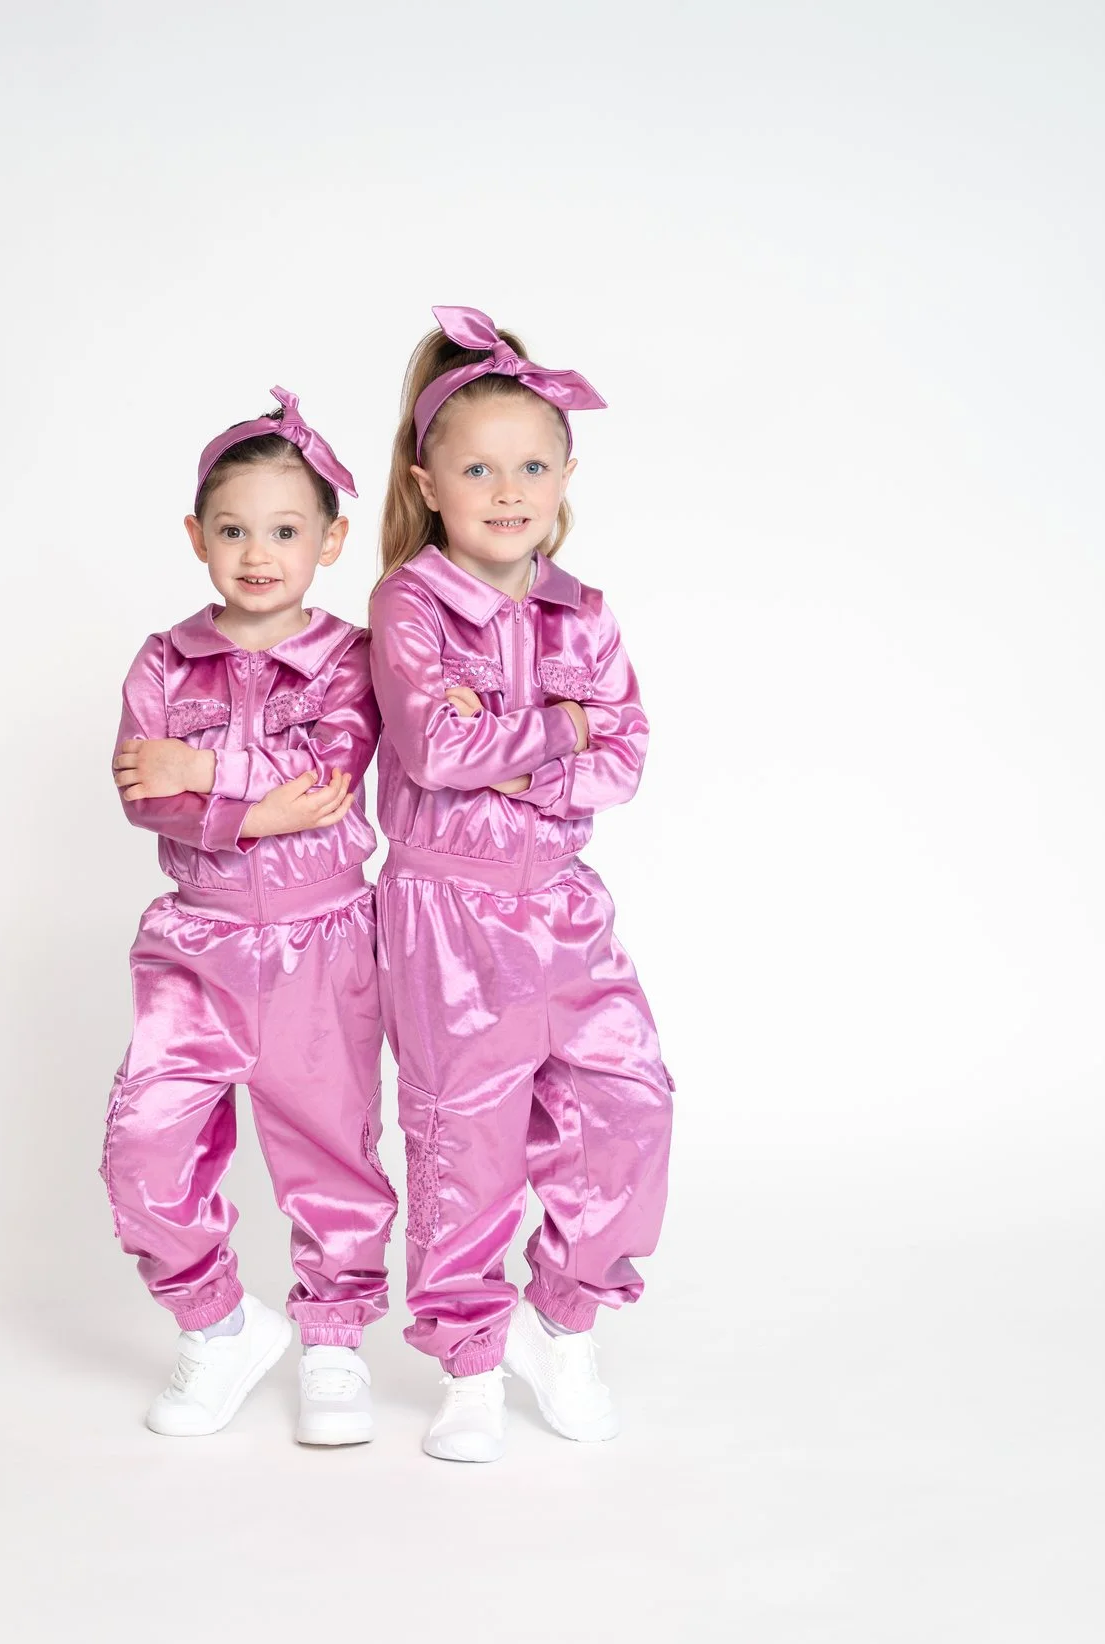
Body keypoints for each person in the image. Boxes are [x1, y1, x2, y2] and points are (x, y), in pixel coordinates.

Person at [367, 309, 677, 1462]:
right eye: (479, 467)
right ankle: (469, 1365)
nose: (509, 489)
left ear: (567, 476)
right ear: (429, 482)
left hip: (562, 904)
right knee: (465, 1135)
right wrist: (557, 727)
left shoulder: (579, 611)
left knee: (627, 1101)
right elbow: (434, 756)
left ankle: (563, 1318)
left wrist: (506, 733)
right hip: (448, 913)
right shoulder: (407, 605)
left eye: (533, 465)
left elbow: (626, 757)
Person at [102, 389, 397, 1445]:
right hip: (198, 939)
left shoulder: (353, 661)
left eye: (283, 530)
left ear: (328, 539)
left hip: (321, 939)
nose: (257, 553)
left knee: (330, 1147)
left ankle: (332, 1342)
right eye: (232, 530)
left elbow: (328, 778)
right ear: (195, 537)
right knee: (145, 1143)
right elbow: (144, 790)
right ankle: (220, 1326)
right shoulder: (163, 660)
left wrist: (208, 774)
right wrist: (251, 800)